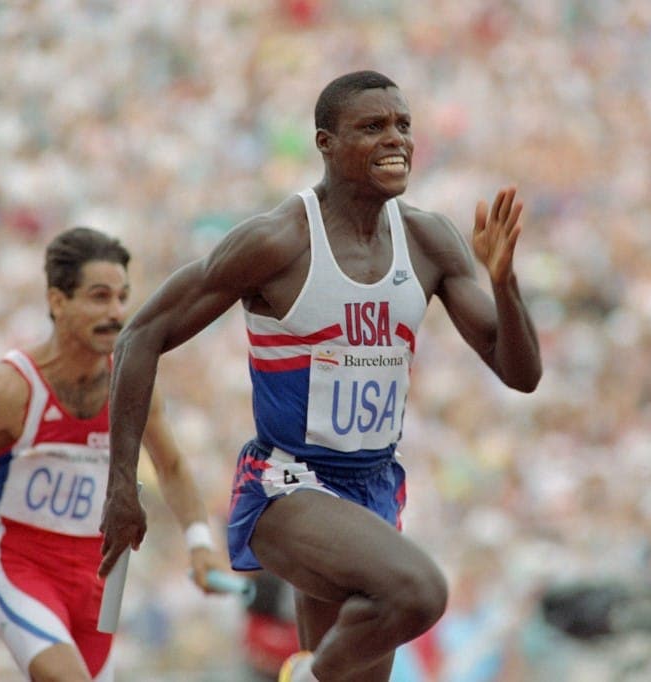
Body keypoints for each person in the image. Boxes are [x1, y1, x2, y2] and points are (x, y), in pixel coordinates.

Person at [99, 70, 542, 682]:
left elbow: (520, 373)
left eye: (404, 125)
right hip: (288, 486)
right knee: (418, 593)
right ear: (326, 143)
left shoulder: (429, 241)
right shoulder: (279, 241)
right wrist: (123, 482)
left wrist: (505, 283)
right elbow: (140, 336)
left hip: (374, 488)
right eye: (373, 127)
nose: (396, 139)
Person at [0, 227, 227, 682]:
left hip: (104, 578)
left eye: (122, 298)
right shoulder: (10, 388)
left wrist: (199, 544)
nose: (116, 312)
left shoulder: (132, 383)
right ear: (58, 302)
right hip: (22, 563)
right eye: (99, 298)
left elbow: (172, 465)